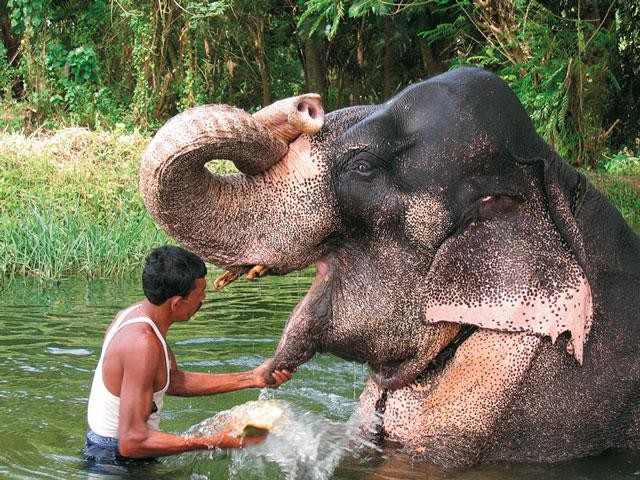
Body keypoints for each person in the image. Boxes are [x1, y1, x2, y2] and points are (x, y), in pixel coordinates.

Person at [84, 245, 293, 463]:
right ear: (176, 303)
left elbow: (170, 381)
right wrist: (216, 440)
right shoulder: (142, 345)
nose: (203, 299)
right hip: (114, 462)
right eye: (199, 294)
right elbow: (132, 442)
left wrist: (252, 378)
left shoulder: (134, 316)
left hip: (111, 451)